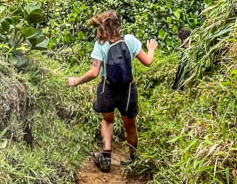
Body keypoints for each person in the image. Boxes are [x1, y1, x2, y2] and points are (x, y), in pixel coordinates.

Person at [67, 10, 158, 172]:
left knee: (108, 121)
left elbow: (94, 72)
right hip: (128, 90)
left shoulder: (100, 44)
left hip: (107, 89)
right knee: (130, 126)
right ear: (118, 25)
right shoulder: (130, 40)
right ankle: (132, 160)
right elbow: (148, 62)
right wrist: (151, 49)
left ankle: (106, 157)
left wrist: (76, 81)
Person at [172, 27, 191, 91]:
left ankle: (178, 88)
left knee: (181, 70)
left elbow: (181, 72)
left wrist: (175, 86)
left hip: (184, 85)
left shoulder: (186, 53)